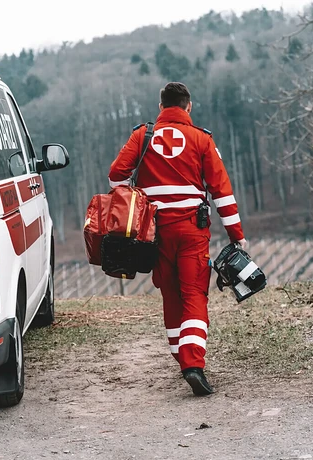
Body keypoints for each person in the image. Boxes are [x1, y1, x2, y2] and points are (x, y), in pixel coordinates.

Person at [108, 82, 247, 396]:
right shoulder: (202, 139)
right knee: (194, 293)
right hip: (192, 231)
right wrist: (236, 234)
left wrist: (137, 198)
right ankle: (192, 363)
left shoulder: (142, 136)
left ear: (161, 107)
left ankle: (180, 356)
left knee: (170, 294)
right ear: (189, 106)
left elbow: (116, 175)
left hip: (155, 233)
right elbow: (222, 192)